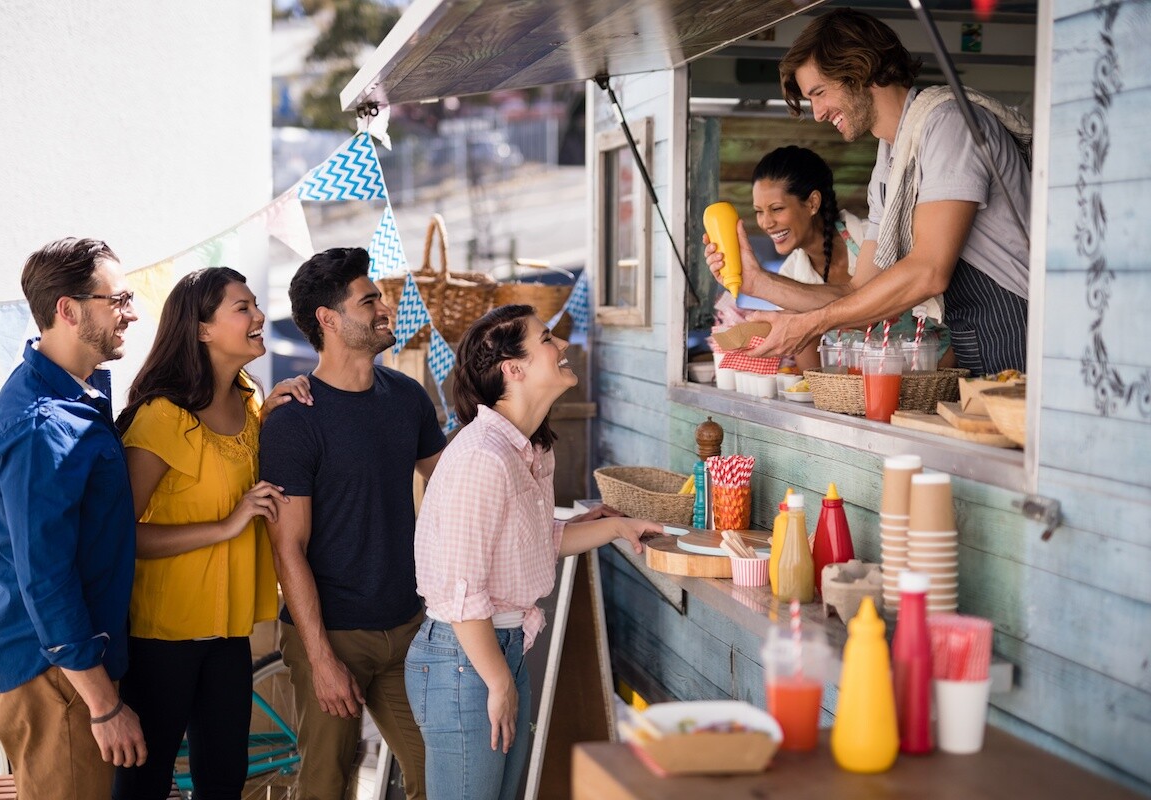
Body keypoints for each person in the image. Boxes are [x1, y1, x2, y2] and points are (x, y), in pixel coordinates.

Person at [406, 304, 663, 800]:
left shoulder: (527, 448)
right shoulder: (483, 456)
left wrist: (615, 527)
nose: (563, 345)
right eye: (548, 338)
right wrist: (499, 682)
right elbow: (463, 594)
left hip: (495, 656)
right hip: (465, 662)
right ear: (513, 368)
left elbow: (539, 543)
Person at [707, 8, 1031, 376]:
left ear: (858, 70)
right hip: (976, 333)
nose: (817, 113)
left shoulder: (947, 125)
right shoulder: (891, 159)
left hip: (1016, 329)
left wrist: (812, 323)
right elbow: (857, 292)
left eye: (819, 92)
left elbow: (929, 270)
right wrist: (758, 281)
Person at [111, 267, 312, 799]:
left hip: (229, 635)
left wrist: (272, 418)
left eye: (254, 305)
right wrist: (225, 526)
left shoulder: (249, 402)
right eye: (241, 308)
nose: (259, 316)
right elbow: (119, 537)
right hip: (162, 639)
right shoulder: (161, 418)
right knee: (143, 786)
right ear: (201, 330)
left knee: (225, 781)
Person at [259, 247, 446, 800]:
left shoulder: (407, 397)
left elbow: (456, 484)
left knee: (439, 776)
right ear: (328, 319)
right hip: (332, 633)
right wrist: (320, 658)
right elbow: (287, 547)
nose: (386, 308)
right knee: (326, 785)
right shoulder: (295, 419)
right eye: (370, 300)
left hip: (408, 627)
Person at [0, 237, 146, 798]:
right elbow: (46, 576)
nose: (132, 312)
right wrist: (101, 704)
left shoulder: (78, 393)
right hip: (56, 678)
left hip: (69, 669)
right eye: (116, 300)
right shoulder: (43, 426)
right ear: (68, 311)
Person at [720, 145, 951, 371]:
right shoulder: (790, 275)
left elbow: (863, 311)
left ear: (812, 203)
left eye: (777, 209)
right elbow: (812, 371)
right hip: (870, 393)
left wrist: (937, 381)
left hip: (940, 378)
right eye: (759, 211)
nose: (766, 223)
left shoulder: (873, 241)